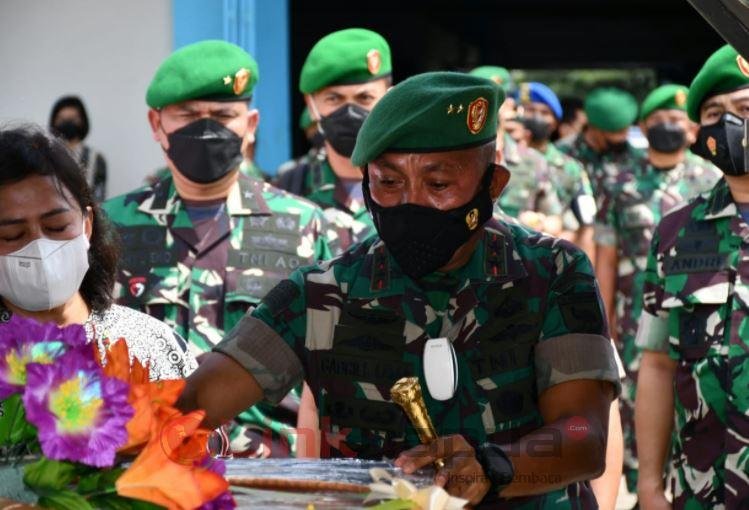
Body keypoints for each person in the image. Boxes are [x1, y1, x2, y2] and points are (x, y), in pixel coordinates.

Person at [179, 72, 621, 507]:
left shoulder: (552, 273)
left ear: (493, 184)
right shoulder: (322, 293)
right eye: (388, 182)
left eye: (439, 184)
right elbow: (193, 405)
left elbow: (584, 433)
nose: (412, 202)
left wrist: (495, 467)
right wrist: (144, 423)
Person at [102, 40, 331, 457]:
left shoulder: (304, 224)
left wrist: (311, 472)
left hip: (267, 470)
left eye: (224, 116)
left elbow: (324, 373)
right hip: (144, 462)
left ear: (251, 124)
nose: (206, 130)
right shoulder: (109, 227)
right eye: (189, 116)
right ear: (156, 123)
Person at [595, 84, 721, 504]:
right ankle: (641, 488)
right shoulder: (618, 182)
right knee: (633, 403)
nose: (668, 127)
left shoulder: (711, 178)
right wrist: (601, 321)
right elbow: (607, 256)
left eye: (675, 120)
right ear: (644, 126)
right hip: (634, 317)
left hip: (696, 317)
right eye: (659, 120)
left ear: (691, 129)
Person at [635, 44, 749, 510]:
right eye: (715, 113)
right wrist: (648, 485)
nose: (730, 123)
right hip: (704, 488)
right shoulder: (675, 232)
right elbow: (657, 365)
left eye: (744, 108)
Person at [0, 126, 195, 380]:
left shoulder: (152, 347)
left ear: (87, 226)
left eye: (57, 227)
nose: (39, 246)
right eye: (12, 235)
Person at [274, 28, 391, 254]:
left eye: (364, 98)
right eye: (334, 99)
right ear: (312, 106)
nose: (350, 112)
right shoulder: (288, 187)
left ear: (388, 99)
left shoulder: (416, 186)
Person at [469, 68, 564, 236]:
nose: (484, 110)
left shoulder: (533, 160)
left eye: (495, 101)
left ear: (510, 105)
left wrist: (537, 222)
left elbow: (555, 220)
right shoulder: (447, 157)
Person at [517, 81, 597, 259]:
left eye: (544, 113)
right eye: (530, 110)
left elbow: (588, 225)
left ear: (555, 123)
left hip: (553, 260)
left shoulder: (571, 168)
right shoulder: (502, 159)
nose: (536, 117)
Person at [557, 87, 645, 198]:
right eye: (618, 132)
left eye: (626, 129)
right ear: (595, 129)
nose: (624, 137)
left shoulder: (635, 156)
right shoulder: (562, 154)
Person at [49, 96, 108, 202]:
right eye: (62, 120)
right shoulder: (46, 155)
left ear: (83, 121)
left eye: (73, 119)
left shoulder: (96, 158)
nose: (67, 123)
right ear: (54, 121)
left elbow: (99, 197)